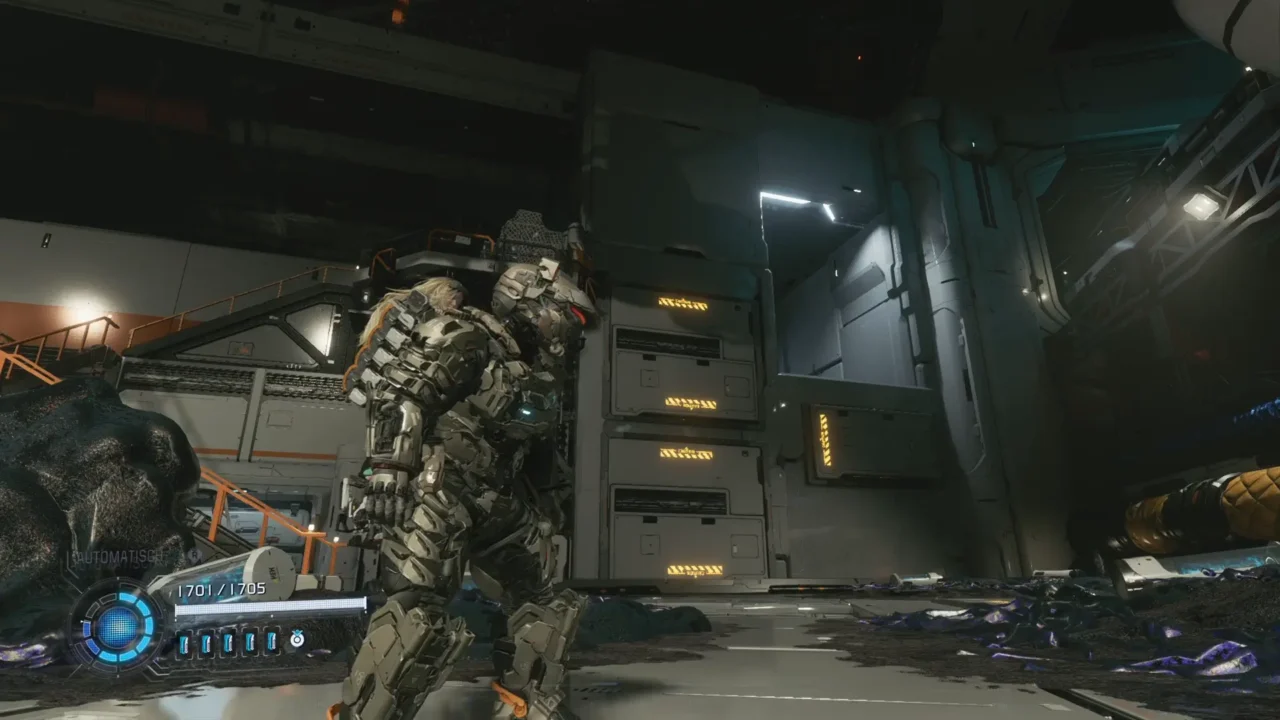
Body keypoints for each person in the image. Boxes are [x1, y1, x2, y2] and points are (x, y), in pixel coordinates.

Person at [330, 259, 597, 720]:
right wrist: (390, 471)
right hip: (440, 489)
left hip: (497, 498)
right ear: (532, 302)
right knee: (418, 617)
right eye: (568, 316)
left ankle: (526, 705)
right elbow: (401, 396)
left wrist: (552, 498)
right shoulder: (465, 334)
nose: (572, 329)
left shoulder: (529, 370)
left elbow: (537, 448)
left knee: (548, 605)